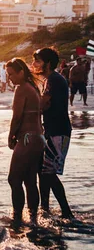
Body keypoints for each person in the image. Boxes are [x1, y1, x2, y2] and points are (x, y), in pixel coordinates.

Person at [32, 47, 74, 219]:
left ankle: (66, 212)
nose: (34, 64)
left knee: (48, 173)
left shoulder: (53, 80)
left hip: (58, 131)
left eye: (37, 61)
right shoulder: (54, 79)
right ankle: (45, 209)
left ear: (47, 64)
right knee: (43, 172)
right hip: (55, 129)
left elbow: (43, 104)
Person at [5, 58, 43, 227]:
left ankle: (17, 218)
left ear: (21, 72)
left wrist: (11, 136)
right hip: (38, 138)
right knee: (30, 181)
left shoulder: (21, 89)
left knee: (13, 179)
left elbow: (17, 116)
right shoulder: (33, 87)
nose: (10, 78)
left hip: (27, 139)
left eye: (12, 74)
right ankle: (34, 219)